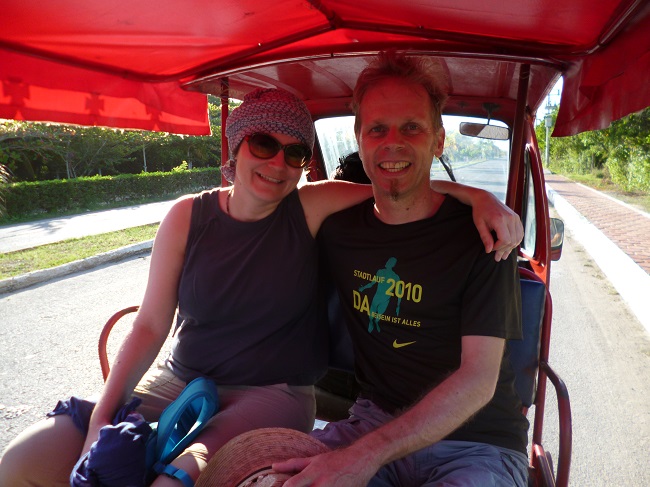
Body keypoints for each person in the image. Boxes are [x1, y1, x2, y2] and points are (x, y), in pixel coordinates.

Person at [0, 87, 522, 486]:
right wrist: (102, 417)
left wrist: (478, 198)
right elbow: (151, 325)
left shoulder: (311, 206)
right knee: (23, 460)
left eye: (294, 153)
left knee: (172, 480)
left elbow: (399, 183)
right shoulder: (187, 216)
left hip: (272, 392)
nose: (277, 163)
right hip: (181, 380)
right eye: (264, 143)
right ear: (236, 145)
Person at [274, 52, 530, 486]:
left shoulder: (484, 237)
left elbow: (477, 380)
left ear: (438, 141)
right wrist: (474, 192)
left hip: (477, 443)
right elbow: (248, 214)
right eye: (377, 129)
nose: (392, 142)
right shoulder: (337, 226)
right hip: (373, 420)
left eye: (412, 127)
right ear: (360, 142)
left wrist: (363, 457)